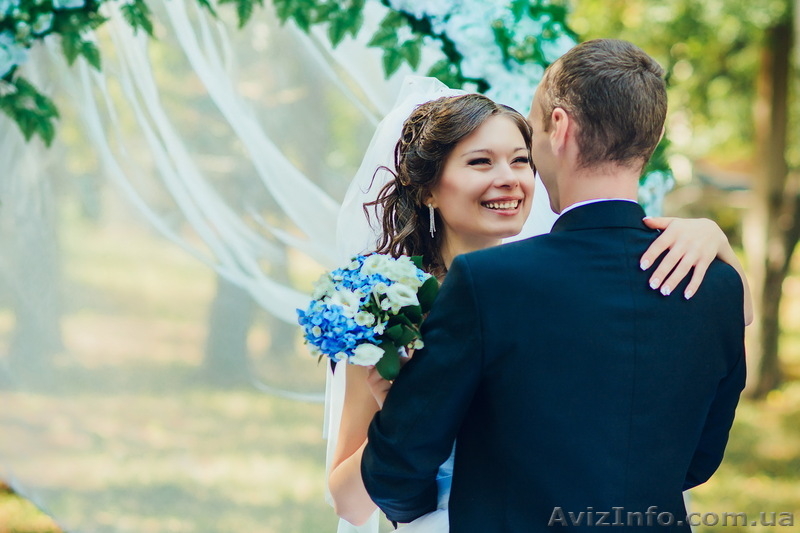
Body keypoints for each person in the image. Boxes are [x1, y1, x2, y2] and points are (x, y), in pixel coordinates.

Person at [358, 40, 748, 532]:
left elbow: (395, 469)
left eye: (535, 129)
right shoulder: (717, 285)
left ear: (559, 128)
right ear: (655, 133)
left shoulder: (489, 283)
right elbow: (699, 460)